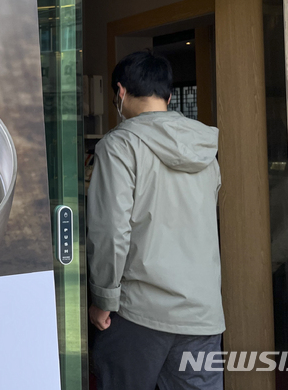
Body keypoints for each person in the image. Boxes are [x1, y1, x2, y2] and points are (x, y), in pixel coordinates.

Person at [87, 50, 225, 390]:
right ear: (169, 95)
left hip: (140, 312)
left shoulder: (119, 146)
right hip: (203, 312)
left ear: (120, 92)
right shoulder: (204, 147)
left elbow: (110, 231)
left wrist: (103, 298)